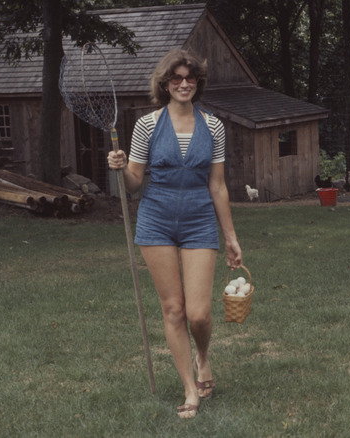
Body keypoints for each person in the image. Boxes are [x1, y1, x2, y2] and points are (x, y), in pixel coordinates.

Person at [107, 49, 242, 419]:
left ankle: (202, 355)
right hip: (156, 220)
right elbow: (134, 183)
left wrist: (230, 237)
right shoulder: (146, 125)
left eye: (190, 78)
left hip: (199, 219)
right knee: (173, 309)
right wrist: (120, 168)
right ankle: (188, 388)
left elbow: (218, 186)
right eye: (176, 78)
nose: (184, 83)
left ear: (197, 83)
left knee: (198, 314)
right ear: (165, 84)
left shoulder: (213, 126)